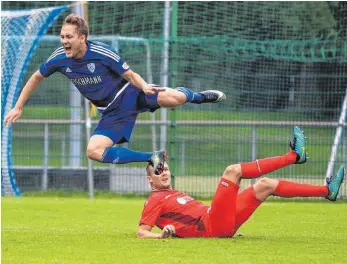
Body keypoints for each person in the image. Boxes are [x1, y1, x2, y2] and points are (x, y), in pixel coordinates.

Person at [3, 14, 226, 173]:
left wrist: (145, 86)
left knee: (176, 98)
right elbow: (35, 77)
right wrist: (19, 106)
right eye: (62, 36)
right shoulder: (58, 57)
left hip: (131, 93)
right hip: (112, 112)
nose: (64, 41)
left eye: (69, 37)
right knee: (94, 151)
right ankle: (152, 157)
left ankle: (200, 97)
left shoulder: (101, 52)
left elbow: (129, 74)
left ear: (82, 38)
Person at [138, 126, 345, 239]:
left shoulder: (172, 194)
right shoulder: (154, 199)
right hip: (209, 225)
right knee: (233, 171)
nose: (163, 172)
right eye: (158, 171)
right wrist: (161, 236)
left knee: (265, 185)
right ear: (150, 179)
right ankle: (293, 156)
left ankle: (327, 190)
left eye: (164, 168)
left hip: (217, 222)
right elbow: (142, 232)